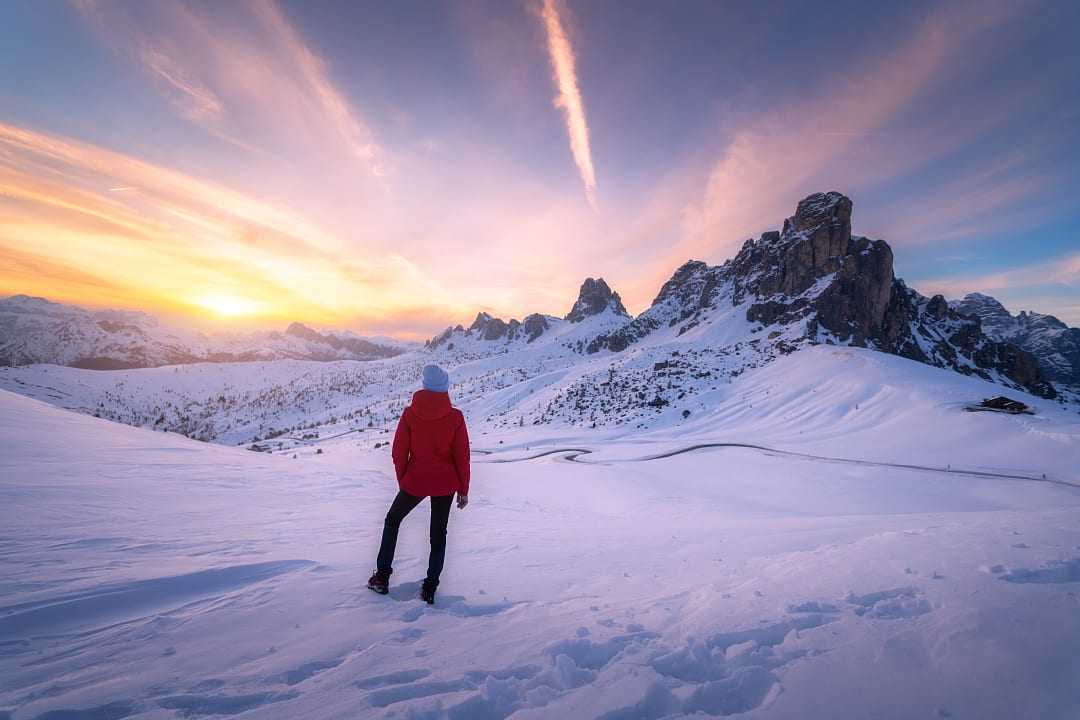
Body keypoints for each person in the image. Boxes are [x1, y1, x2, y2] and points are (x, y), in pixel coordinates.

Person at [368, 364, 470, 604]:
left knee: (393, 520)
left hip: (415, 480)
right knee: (438, 534)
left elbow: (398, 451)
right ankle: (430, 588)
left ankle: (382, 577)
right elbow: (462, 456)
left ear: (424, 387)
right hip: (445, 483)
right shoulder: (455, 417)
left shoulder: (409, 414)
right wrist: (463, 490)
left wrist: (404, 479)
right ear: (444, 388)